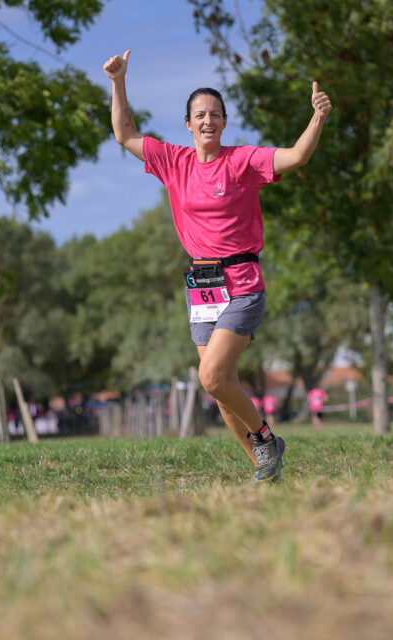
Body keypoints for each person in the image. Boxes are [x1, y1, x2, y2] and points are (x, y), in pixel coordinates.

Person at [103, 49, 332, 482]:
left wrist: (317, 118)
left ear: (224, 122)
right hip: (203, 287)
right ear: (188, 124)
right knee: (224, 396)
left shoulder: (242, 161)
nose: (208, 121)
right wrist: (118, 82)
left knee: (211, 377)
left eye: (215, 114)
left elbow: (296, 156)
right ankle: (268, 476)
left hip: (243, 283)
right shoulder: (173, 162)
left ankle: (266, 439)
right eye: (199, 115)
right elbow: (125, 133)